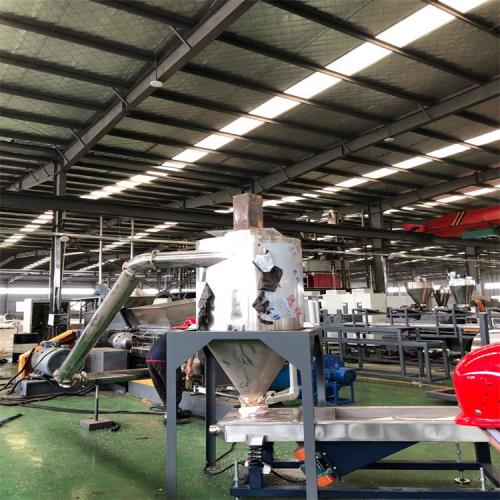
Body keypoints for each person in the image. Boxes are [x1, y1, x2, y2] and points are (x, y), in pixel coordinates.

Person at [146, 332, 194, 424]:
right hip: (165, 358)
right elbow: (192, 350)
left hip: (150, 358)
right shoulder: (193, 334)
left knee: (162, 389)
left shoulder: (177, 332)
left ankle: (173, 413)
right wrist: (189, 366)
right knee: (175, 388)